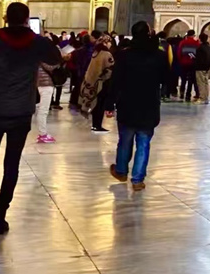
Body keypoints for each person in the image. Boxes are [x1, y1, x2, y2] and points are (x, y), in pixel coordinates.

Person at [0, 2, 59, 235]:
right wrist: (39, 37)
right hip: (21, 111)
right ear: (27, 19)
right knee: (12, 164)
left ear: (6, 18)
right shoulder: (36, 42)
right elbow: (56, 57)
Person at [109, 21, 171, 191]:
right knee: (143, 143)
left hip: (127, 104)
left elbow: (116, 81)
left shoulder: (124, 55)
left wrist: (109, 103)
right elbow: (166, 79)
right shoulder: (159, 56)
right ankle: (137, 179)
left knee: (125, 140)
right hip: (149, 105)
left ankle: (121, 171)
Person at [80, 35, 115, 133]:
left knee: (95, 104)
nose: (110, 44)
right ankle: (98, 125)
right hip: (102, 83)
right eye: (109, 42)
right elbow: (110, 69)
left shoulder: (96, 53)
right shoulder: (106, 54)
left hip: (92, 82)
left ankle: (95, 125)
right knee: (101, 105)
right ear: (105, 43)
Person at [34, 44, 64, 144]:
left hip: (41, 83)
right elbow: (50, 68)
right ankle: (42, 134)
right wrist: (59, 62)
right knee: (43, 110)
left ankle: (42, 132)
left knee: (42, 109)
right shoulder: (43, 58)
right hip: (45, 84)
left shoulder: (36, 56)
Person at [177, 30, 200, 102]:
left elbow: (179, 53)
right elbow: (198, 54)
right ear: (193, 35)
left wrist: (181, 61)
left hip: (183, 63)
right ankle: (188, 95)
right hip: (192, 64)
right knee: (191, 80)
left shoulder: (182, 42)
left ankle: (181, 93)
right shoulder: (196, 43)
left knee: (183, 79)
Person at [194, 33, 210, 104]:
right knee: (205, 82)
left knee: (201, 83)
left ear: (200, 39)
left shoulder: (200, 48)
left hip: (200, 67)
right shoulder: (208, 47)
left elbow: (198, 59)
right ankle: (206, 97)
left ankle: (202, 98)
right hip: (207, 67)